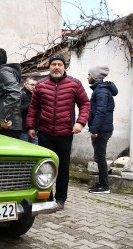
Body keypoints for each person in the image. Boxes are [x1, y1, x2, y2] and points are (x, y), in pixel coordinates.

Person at [26, 54, 90, 210]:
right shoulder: (40, 85)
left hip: (65, 134)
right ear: (49, 67)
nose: (56, 67)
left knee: (63, 168)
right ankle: (46, 196)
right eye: (53, 64)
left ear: (64, 67)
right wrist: (30, 126)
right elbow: (33, 108)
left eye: (59, 64)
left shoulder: (74, 84)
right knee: (44, 167)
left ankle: (60, 199)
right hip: (45, 133)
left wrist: (80, 123)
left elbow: (85, 104)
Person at [87, 65, 117, 194]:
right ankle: (102, 183)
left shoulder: (101, 91)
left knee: (100, 157)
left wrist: (94, 130)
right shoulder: (101, 89)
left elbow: (100, 112)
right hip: (102, 129)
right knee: (99, 157)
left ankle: (104, 186)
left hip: (102, 130)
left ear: (94, 76)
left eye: (89, 74)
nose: (87, 77)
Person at [0, 48, 22, 138]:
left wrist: (3, 118)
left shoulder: (4, 72)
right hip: (5, 127)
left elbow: (15, 92)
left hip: (6, 128)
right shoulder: (3, 73)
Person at [20, 77, 38, 144]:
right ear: (25, 84)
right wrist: (33, 105)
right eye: (32, 85)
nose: (34, 87)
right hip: (23, 128)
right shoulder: (20, 94)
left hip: (35, 128)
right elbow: (18, 109)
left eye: (35, 85)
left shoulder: (36, 95)